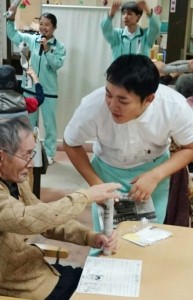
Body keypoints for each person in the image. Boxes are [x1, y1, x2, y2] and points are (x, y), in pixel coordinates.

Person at [63, 54, 193, 226]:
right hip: (107, 172)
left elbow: (190, 147)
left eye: (123, 100)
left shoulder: (173, 106)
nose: (112, 105)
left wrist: (155, 175)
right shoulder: (92, 105)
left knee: (148, 236)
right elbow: (70, 143)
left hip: (153, 171)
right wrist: (96, 183)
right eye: (109, 94)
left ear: (148, 99)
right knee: (106, 237)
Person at [0, 116, 121, 300]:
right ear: (1, 157)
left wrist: (89, 236)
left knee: (108, 285)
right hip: (20, 286)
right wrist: (86, 196)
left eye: (32, 154)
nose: (31, 163)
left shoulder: (15, 179)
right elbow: (28, 219)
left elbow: (44, 219)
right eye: (26, 155)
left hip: (37, 270)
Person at [6, 5, 66, 165]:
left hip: (49, 91)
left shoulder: (59, 47)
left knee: (49, 124)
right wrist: (11, 19)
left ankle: (50, 153)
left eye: (47, 25)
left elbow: (56, 65)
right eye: (41, 24)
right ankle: (28, 151)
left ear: (54, 27)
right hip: (29, 89)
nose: (43, 27)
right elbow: (13, 34)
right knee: (28, 123)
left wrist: (47, 49)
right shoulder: (31, 39)